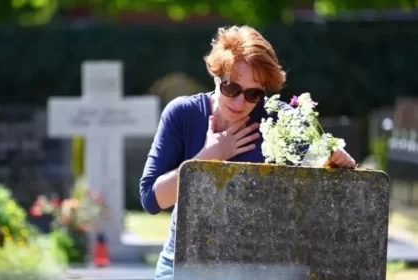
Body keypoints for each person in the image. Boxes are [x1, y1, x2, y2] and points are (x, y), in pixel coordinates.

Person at [139, 25, 356, 280]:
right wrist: (206, 159)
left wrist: (337, 162)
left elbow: (318, 176)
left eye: (254, 94)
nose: (241, 103)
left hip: (257, 268)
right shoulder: (183, 114)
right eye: (231, 88)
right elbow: (152, 200)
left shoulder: (280, 118)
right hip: (183, 266)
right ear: (216, 76)